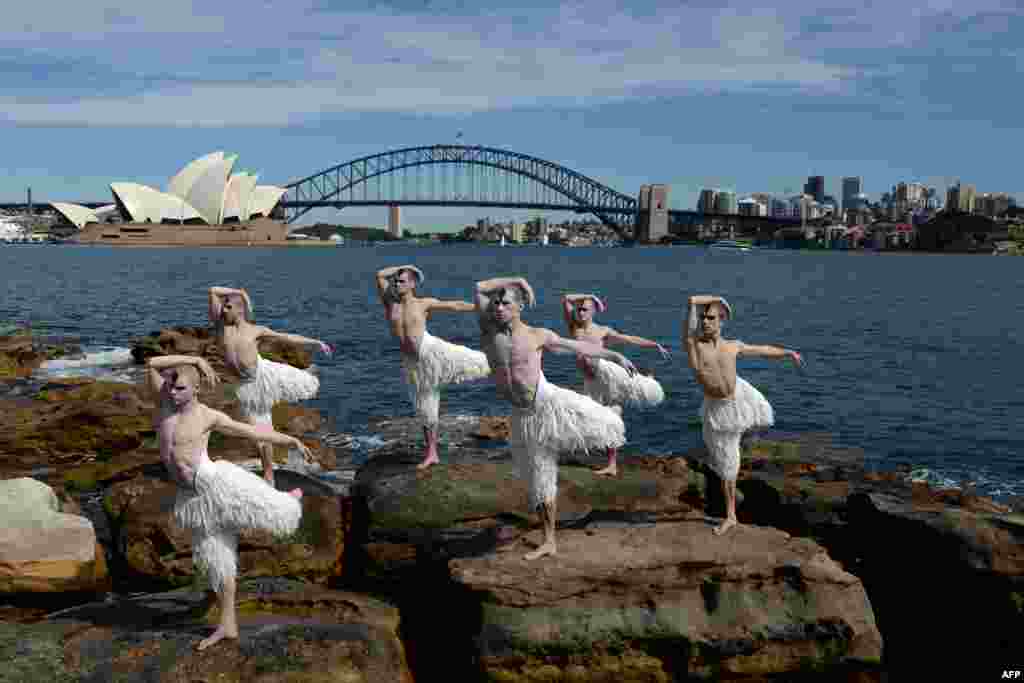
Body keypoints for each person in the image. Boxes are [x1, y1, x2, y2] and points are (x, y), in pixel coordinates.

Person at [145, 354, 313, 650]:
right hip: (193, 498)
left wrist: (290, 441)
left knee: (277, 512)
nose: (173, 392)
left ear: (196, 389)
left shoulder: (208, 416)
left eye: (181, 388)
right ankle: (228, 624)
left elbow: (250, 431)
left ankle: (288, 498)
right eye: (171, 387)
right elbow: (151, 363)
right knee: (218, 560)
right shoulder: (164, 404)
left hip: (215, 482)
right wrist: (194, 359)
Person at [475, 276, 638, 560]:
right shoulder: (489, 330)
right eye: (497, 303)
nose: (499, 307)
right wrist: (518, 280)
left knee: (608, 423)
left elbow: (579, 347)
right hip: (522, 416)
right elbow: (479, 287)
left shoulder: (538, 335)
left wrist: (613, 355)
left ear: (520, 306)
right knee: (540, 481)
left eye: (506, 303)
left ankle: (607, 443)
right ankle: (549, 539)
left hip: (548, 401)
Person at [683, 295, 802, 535]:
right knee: (724, 461)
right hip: (717, 408)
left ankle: (730, 515)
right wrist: (710, 300)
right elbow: (691, 305)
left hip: (739, 396)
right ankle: (730, 511)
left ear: (721, 321)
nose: (705, 322)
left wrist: (788, 352)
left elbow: (762, 350)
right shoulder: (695, 344)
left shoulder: (732, 345)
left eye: (711, 318)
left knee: (732, 459)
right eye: (703, 317)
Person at [208, 286, 332, 485]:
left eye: (228, 306)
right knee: (261, 435)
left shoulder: (256, 331)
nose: (223, 310)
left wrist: (316, 342)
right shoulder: (221, 326)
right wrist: (242, 293)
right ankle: (269, 471)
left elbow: (287, 337)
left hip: (264, 374)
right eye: (223, 307)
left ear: (240, 310)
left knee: (306, 383)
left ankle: (268, 474)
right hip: (247, 386)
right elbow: (213, 290)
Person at [375, 265, 490, 469]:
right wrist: (406, 267)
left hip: (432, 350)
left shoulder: (422, 303)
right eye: (395, 280)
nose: (395, 283)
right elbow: (380, 274)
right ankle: (432, 454)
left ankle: (506, 361)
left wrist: (479, 308)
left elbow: (453, 305)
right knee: (426, 410)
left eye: (401, 281)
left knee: (479, 361)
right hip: (412, 363)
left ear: (412, 284)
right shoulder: (389, 302)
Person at [562, 293, 671, 477]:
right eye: (578, 309)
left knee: (612, 417)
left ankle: (611, 465)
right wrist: (588, 296)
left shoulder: (602, 331)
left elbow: (628, 339)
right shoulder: (574, 327)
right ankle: (603, 459)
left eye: (584, 309)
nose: (580, 313)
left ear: (593, 312)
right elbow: (566, 299)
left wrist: (653, 344)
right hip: (591, 381)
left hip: (607, 377)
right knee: (590, 417)